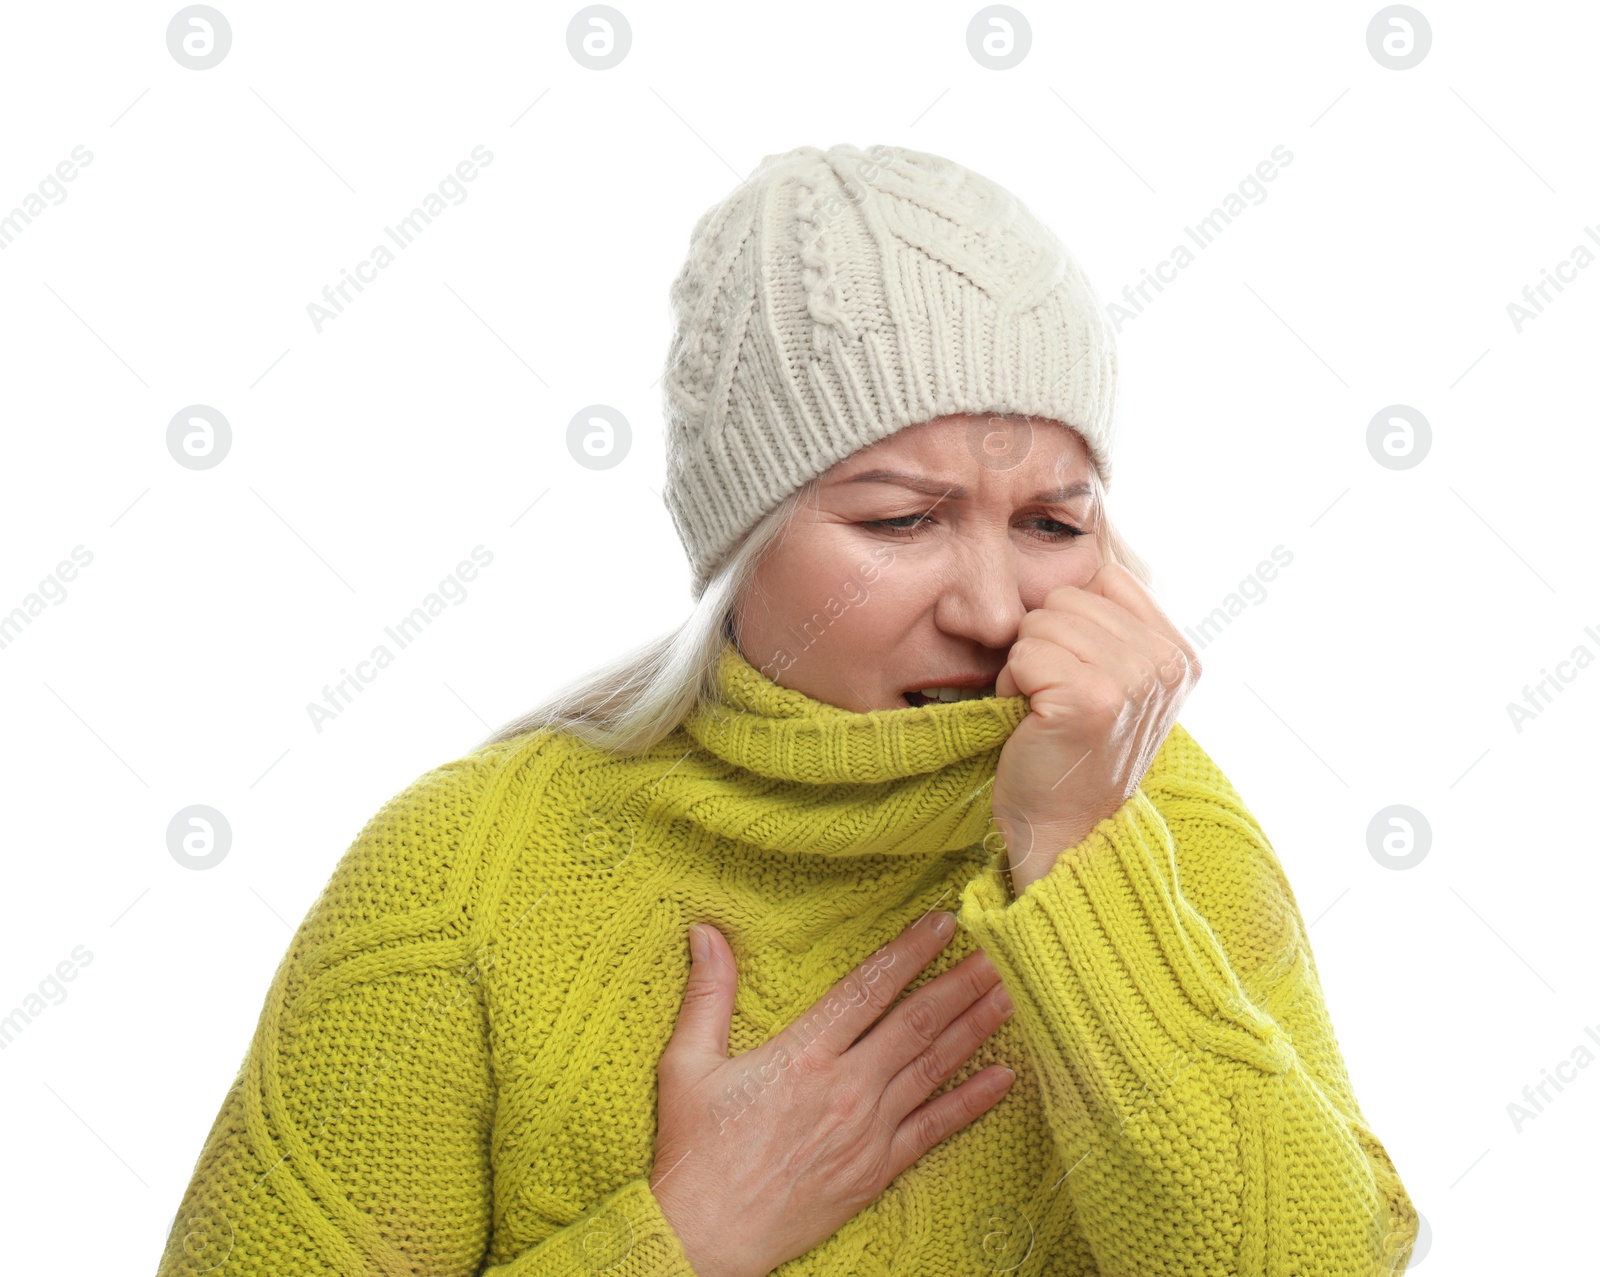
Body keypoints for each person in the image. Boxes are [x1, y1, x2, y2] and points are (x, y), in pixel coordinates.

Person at [155, 143, 1419, 1276]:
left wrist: (1079, 857)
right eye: (899, 521)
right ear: (735, 543)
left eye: (1051, 521)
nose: (991, 605)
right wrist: (689, 1235)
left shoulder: (1150, 812)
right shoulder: (463, 873)